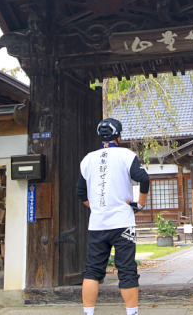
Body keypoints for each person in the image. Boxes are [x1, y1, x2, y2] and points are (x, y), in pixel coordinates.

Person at [77, 118, 150, 315]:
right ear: (119, 136)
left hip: (97, 223)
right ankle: (132, 312)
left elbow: (81, 194)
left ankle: (88, 312)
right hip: (123, 223)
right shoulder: (126, 155)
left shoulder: (87, 159)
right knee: (126, 269)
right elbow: (143, 178)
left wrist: (97, 207)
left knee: (92, 270)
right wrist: (140, 204)